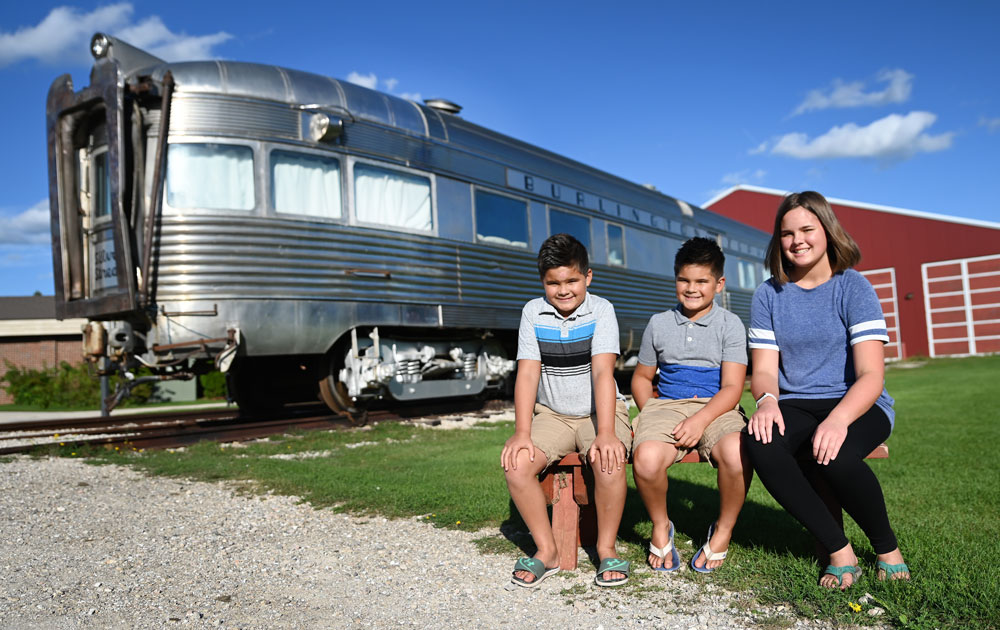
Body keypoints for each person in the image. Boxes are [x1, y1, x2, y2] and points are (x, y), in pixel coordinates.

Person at [746, 191, 910, 590]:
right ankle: (839, 550)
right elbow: (764, 370)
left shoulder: (853, 287)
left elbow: (872, 374)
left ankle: (887, 549)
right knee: (761, 444)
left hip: (857, 402)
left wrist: (838, 420)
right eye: (786, 233)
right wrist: (767, 401)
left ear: (827, 230)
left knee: (833, 458)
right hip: (797, 403)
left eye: (806, 229)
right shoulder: (768, 294)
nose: (797, 240)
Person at [501, 233, 633, 588]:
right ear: (542, 282)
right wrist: (522, 432)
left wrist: (606, 432)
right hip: (554, 415)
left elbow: (604, 372)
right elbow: (528, 373)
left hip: (598, 412)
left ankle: (606, 548)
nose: (563, 290)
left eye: (572, 280)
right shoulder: (533, 312)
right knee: (516, 465)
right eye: (553, 283)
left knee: (609, 461)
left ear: (587, 278)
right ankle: (548, 549)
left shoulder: (601, 310)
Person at [631, 237, 752, 573]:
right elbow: (641, 378)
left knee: (736, 453)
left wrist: (700, 420)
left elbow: (732, 387)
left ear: (719, 284)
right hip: (667, 405)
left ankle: (723, 530)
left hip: (718, 407)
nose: (692, 288)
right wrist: (651, 411)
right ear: (676, 280)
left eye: (702, 281)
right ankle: (660, 524)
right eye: (684, 280)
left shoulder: (730, 325)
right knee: (646, 458)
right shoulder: (658, 324)